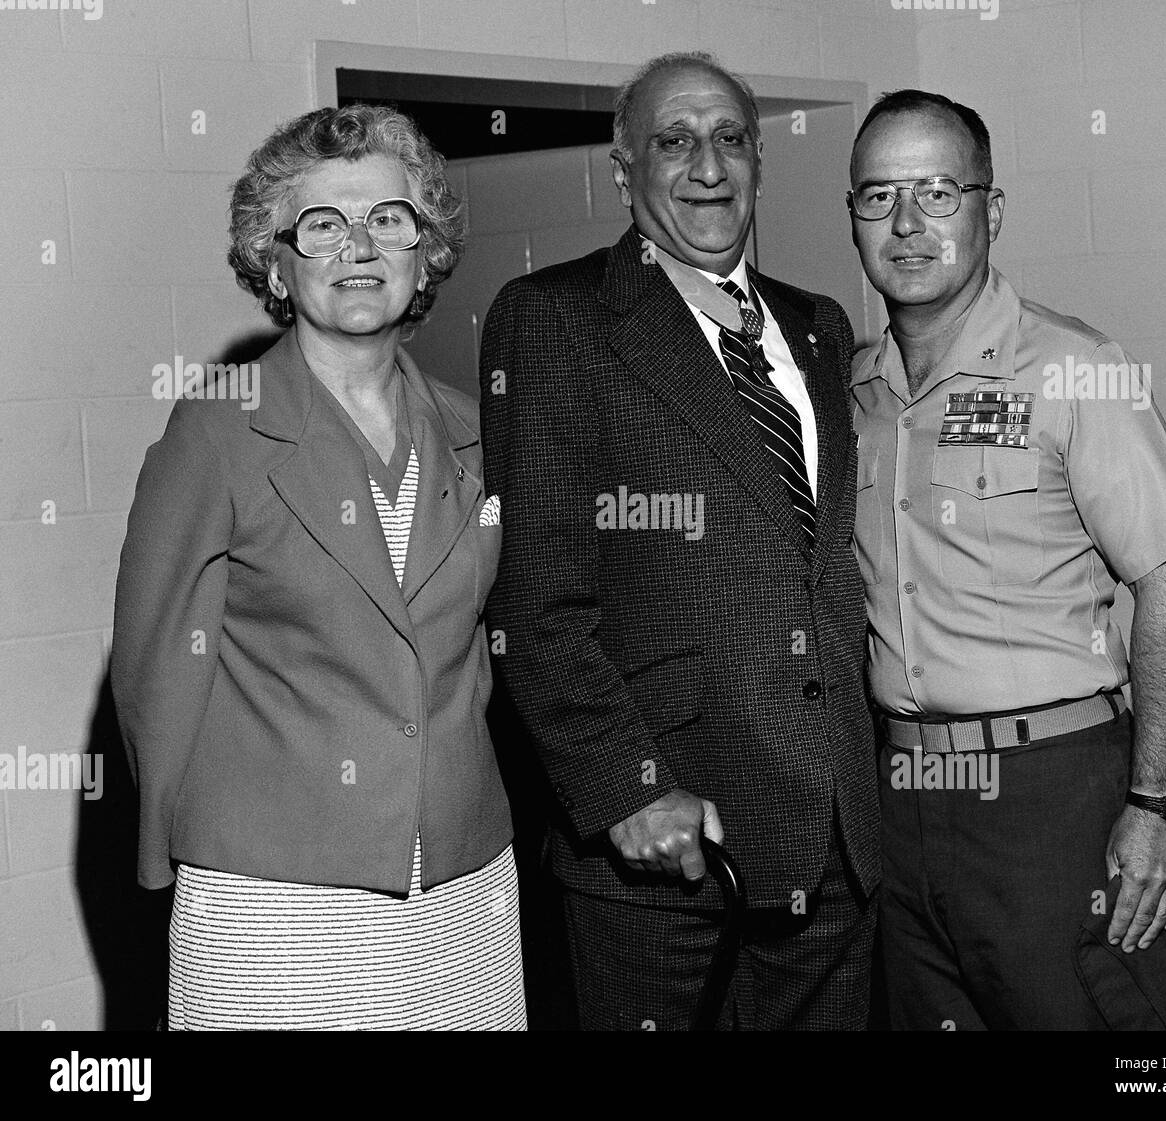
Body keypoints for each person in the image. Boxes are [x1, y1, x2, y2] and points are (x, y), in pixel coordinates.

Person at [479, 51, 878, 1030]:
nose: (707, 164)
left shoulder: (820, 326)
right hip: (662, 842)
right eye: (674, 140)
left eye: (730, 138)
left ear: (757, 163)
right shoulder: (554, 319)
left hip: (833, 840)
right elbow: (535, 602)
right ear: (624, 171)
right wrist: (627, 792)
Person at [111, 104, 526, 1030]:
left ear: (426, 252)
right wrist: (168, 856)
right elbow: (154, 671)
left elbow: (475, 658)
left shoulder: (472, 430)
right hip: (275, 894)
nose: (360, 246)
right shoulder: (216, 429)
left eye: (388, 218)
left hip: (465, 885)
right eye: (323, 225)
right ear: (276, 259)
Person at [847, 89, 1166, 1029]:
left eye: (938, 191)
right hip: (901, 796)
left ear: (990, 210)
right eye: (878, 196)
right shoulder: (851, 389)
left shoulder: (1076, 370)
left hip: (1051, 796)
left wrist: (1158, 805)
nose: (907, 223)